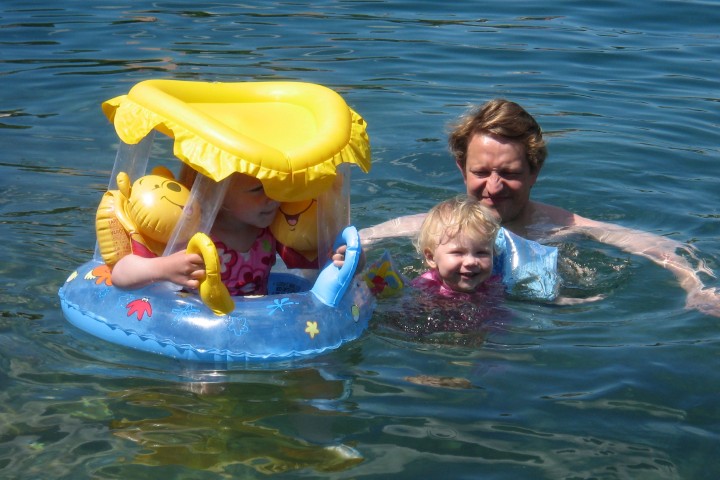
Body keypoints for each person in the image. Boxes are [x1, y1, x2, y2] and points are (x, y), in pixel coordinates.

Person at [360, 99, 720, 317]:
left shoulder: (564, 226)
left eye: (510, 174)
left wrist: (697, 287)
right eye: (481, 173)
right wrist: (344, 256)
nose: (493, 187)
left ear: (535, 171)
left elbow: (660, 247)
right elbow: (357, 239)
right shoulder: (432, 227)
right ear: (461, 169)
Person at [111, 171, 349, 295]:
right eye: (257, 190)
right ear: (217, 194)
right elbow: (120, 273)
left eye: (277, 187)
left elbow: (314, 262)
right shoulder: (192, 232)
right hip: (194, 327)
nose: (273, 198)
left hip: (251, 323)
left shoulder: (268, 230)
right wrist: (163, 268)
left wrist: (343, 261)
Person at [412, 195, 503, 297]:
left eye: (481, 253)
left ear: (493, 254)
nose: (471, 262)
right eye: (458, 253)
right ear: (431, 258)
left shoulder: (493, 285)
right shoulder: (423, 288)